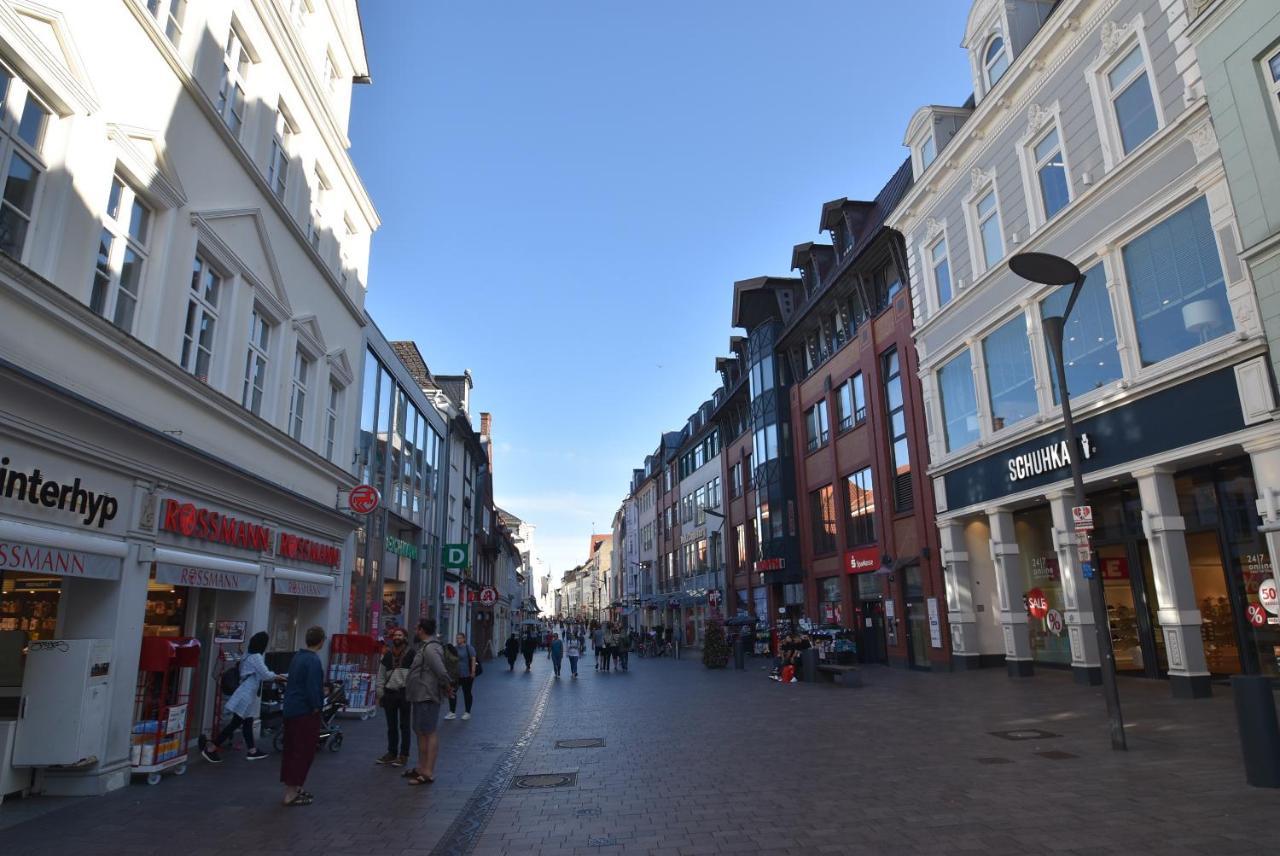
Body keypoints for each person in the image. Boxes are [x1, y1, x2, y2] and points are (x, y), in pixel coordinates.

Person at [202, 631, 283, 763]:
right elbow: (266, 674)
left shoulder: (247, 654)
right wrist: (277, 676)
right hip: (248, 691)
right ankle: (212, 747)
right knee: (237, 722)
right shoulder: (256, 657)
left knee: (247, 721)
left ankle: (252, 750)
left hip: (245, 689)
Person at [280, 626, 326, 807]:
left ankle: (294, 787)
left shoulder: (297, 657)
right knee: (302, 751)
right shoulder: (313, 661)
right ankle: (291, 792)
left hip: (291, 708)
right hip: (304, 712)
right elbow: (313, 687)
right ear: (321, 641)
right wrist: (317, 706)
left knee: (291, 749)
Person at [404, 618, 452, 786]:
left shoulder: (431, 648)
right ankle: (421, 767)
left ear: (422, 630)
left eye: (417, 628)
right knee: (420, 731)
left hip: (427, 695)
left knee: (428, 732)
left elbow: (440, 670)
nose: (415, 631)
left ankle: (428, 772)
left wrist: (447, 686)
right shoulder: (425, 647)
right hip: (419, 695)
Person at [374, 627, 415, 767]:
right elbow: (380, 675)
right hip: (390, 693)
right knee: (391, 726)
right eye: (395, 635)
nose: (397, 637)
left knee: (404, 725)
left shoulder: (411, 653)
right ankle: (391, 753)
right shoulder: (387, 655)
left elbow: (416, 674)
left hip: (405, 693)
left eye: (400, 635)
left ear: (405, 637)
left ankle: (403, 755)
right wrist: (380, 693)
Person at [444, 632, 477, 721]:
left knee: (467, 693)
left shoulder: (468, 648)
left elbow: (473, 659)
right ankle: (452, 712)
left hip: (466, 674)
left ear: (464, 639)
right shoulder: (455, 648)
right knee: (452, 692)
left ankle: (467, 712)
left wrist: (473, 671)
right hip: (456, 675)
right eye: (457, 638)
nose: (458, 640)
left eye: (459, 638)